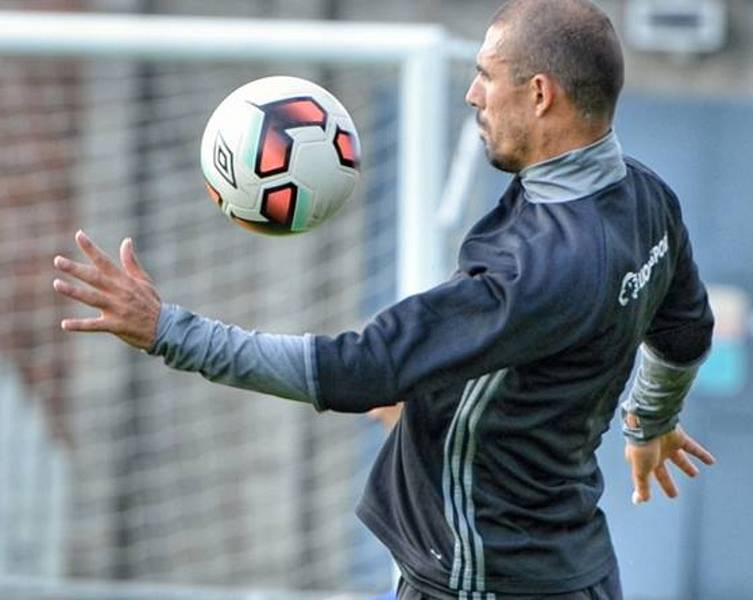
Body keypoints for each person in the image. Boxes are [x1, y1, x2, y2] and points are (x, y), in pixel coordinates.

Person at [53, 0, 717, 597]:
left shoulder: (546, 266)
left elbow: (352, 369)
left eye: (487, 75)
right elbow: (684, 331)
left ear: (540, 94)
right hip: (574, 565)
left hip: (482, 575)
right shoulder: (642, 198)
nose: (471, 92)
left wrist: (165, 329)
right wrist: (649, 422)